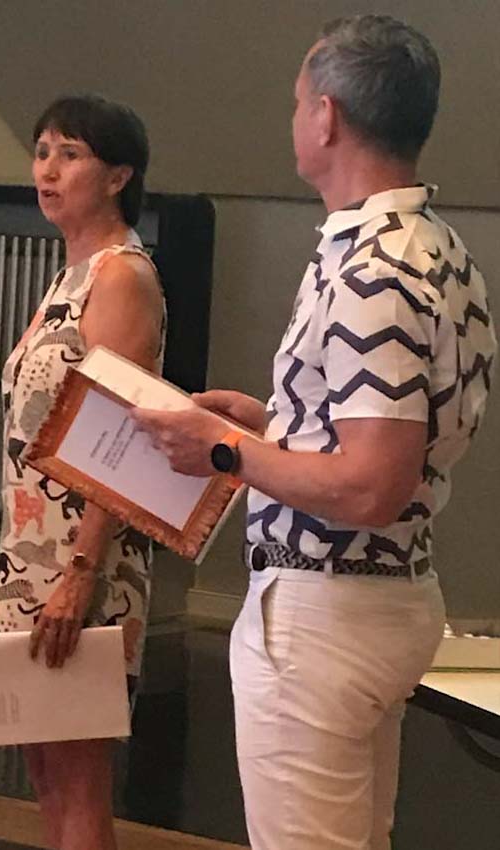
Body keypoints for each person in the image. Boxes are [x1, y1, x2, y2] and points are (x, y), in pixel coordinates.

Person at [133, 15, 495, 850]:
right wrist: (273, 427)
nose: (293, 117)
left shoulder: (372, 270)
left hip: (326, 609)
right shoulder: (435, 248)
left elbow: (370, 486)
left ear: (325, 116)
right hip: (382, 595)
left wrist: (223, 451)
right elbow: (389, 439)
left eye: (298, 101)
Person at [0, 95, 164, 850]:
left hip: (83, 560)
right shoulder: (71, 274)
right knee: (45, 768)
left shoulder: (121, 277)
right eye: (41, 152)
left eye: (70, 154)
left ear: (119, 176)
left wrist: (80, 574)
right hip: (32, 553)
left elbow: (119, 437)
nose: (48, 170)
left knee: (78, 772)